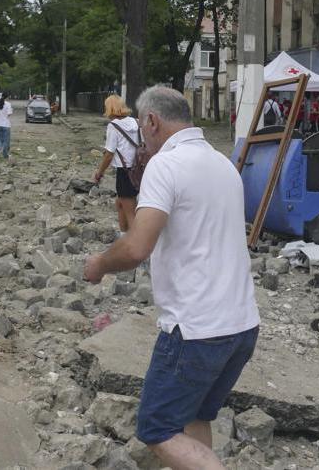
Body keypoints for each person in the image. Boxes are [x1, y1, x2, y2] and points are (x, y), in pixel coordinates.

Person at [84, 86, 260, 470]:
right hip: (242, 324)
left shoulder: (168, 164)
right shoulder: (221, 164)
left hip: (196, 329)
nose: (142, 142)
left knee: (157, 427)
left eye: (143, 131)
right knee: (195, 416)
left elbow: (136, 248)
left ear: (152, 121)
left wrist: (98, 263)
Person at [92, 94, 140, 233]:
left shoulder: (113, 126)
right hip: (139, 170)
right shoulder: (135, 122)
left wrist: (99, 173)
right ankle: (123, 236)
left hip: (125, 173)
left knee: (130, 213)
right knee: (120, 204)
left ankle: (134, 246)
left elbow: (109, 154)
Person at [0, 92, 13, 159]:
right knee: (6, 140)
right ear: (7, 97)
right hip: (6, 124)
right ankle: (5, 154)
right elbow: (9, 114)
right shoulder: (8, 104)